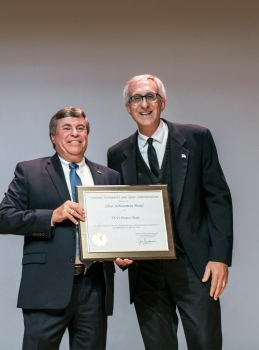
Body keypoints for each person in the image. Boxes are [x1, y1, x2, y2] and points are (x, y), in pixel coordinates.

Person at [107, 75, 233, 349]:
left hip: (195, 265)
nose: (144, 104)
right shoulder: (117, 154)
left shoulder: (197, 138)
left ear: (162, 102)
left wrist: (220, 257)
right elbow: (118, 209)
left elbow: (218, 198)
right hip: (145, 269)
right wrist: (118, 249)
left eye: (150, 96)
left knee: (205, 343)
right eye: (136, 98)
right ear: (128, 107)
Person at [0, 106, 120, 350]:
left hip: (94, 287)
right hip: (45, 288)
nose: (75, 133)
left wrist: (121, 252)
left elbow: (114, 227)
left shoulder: (109, 176)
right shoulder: (30, 171)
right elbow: (3, 219)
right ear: (54, 136)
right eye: (67, 128)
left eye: (81, 128)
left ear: (87, 135)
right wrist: (52, 215)